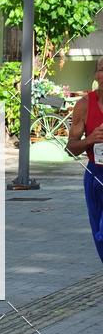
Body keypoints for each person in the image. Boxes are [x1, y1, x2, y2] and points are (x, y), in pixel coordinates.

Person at [66, 57, 103, 264]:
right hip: (95, 175)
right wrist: (91, 139)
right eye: (101, 70)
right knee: (99, 233)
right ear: (96, 76)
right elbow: (71, 149)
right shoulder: (84, 105)